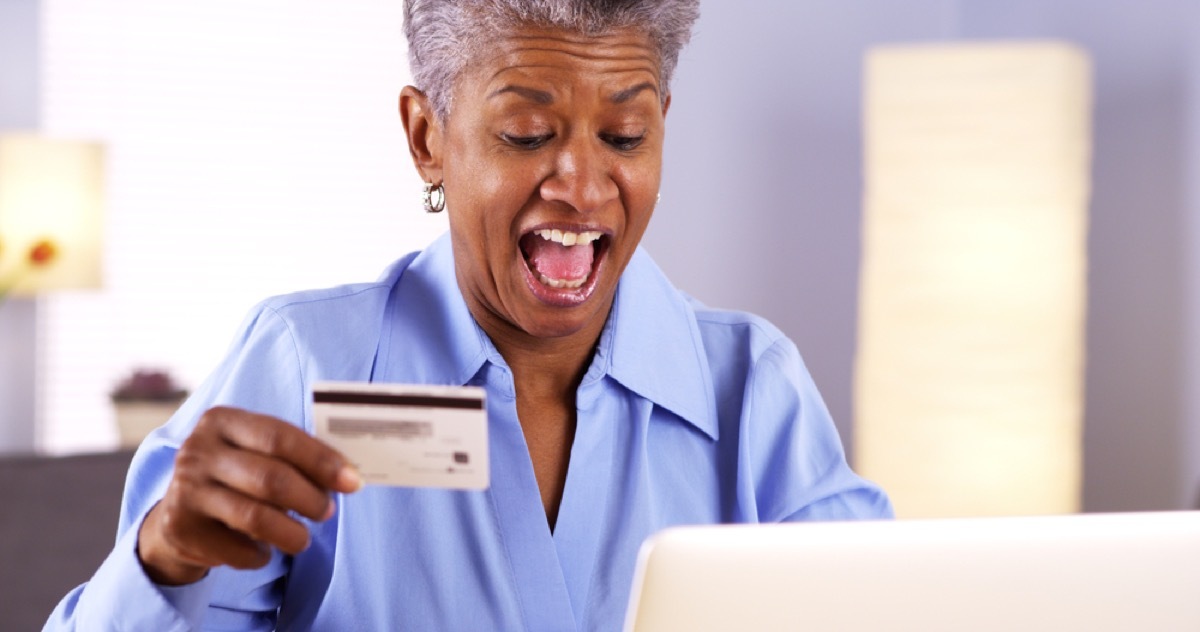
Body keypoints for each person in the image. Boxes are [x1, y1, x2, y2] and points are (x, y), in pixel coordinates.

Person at [45, 1, 891, 629]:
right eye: (526, 134)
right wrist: (166, 560)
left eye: (625, 136)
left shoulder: (752, 388)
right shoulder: (304, 361)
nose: (584, 186)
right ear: (427, 137)